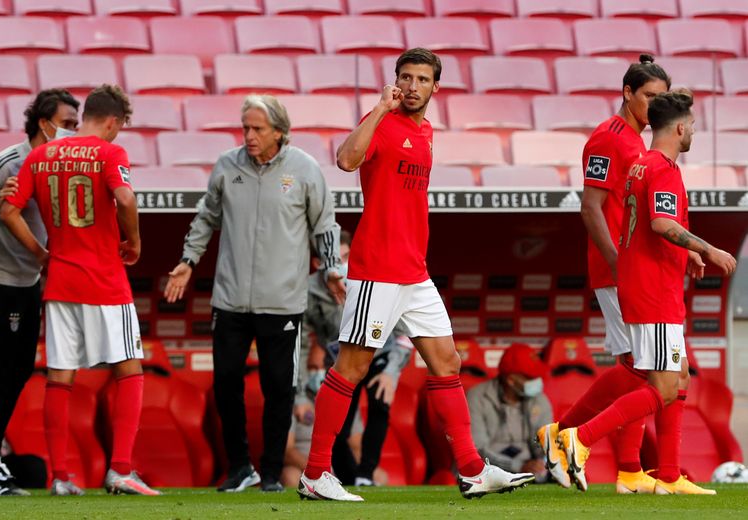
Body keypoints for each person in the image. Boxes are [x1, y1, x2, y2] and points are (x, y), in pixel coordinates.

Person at [297, 48, 535, 502]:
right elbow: (346, 161)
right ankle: (314, 473)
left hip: (414, 272)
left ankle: (470, 468)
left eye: (421, 79)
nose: (411, 86)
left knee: (447, 363)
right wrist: (379, 109)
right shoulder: (382, 120)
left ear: (435, 87)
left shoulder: (426, 131)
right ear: (395, 82)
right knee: (352, 367)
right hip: (377, 270)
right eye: (404, 77)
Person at [557, 90, 736, 494]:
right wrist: (705, 247)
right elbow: (661, 223)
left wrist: (684, 253)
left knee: (678, 374)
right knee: (662, 386)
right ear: (678, 128)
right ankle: (580, 437)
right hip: (654, 292)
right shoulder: (662, 168)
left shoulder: (639, 165)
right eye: (690, 126)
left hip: (652, 285)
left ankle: (669, 475)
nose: (692, 132)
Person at [163, 94, 344, 493]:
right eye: (245, 127)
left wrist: (331, 268)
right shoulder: (227, 166)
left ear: (279, 131)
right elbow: (206, 218)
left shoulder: (305, 169)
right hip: (229, 300)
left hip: (282, 302)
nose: (249, 136)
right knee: (226, 384)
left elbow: (325, 227)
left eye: (257, 129)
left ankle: (273, 471)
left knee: (279, 389)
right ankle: (240, 467)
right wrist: (188, 261)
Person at [0, 84, 159, 496]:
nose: (117, 134)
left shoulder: (41, 154)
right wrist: (135, 242)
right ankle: (121, 469)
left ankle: (60, 478)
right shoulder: (109, 153)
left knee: (59, 378)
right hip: (105, 279)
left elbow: (7, 211)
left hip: (61, 282)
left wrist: (40, 252)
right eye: (119, 127)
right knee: (129, 369)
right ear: (112, 121)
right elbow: (124, 198)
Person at [538, 55, 673, 494]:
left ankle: (626, 468)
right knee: (643, 368)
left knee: (636, 365)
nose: (655, 106)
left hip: (636, 269)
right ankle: (567, 434)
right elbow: (590, 207)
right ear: (627, 93)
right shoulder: (607, 138)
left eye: (662, 99)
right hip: (618, 268)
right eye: (649, 96)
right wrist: (619, 262)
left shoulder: (638, 142)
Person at [0, 89, 79, 496]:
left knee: (17, 376)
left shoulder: (60, 164)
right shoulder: (7, 162)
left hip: (30, 283)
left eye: (75, 125)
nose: (71, 132)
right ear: (42, 123)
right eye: (66, 124)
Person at [300, 230, 412, 486]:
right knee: (337, 421)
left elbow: (405, 332)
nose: (343, 264)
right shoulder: (307, 290)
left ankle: (365, 475)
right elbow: (301, 343)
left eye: (347, 255)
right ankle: (347, 479)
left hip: (379, 354)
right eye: (335, 259)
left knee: (380, 405)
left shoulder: (372, 275)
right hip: (342, 360)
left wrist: (391, 373)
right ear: (318, 264)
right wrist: (300, 391)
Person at [467, 344, 552, 483]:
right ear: (511, 380)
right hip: (486, 472)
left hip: (528, 472)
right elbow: (476, 451)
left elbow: (543, 445)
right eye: (530, 378)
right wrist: (517, 467)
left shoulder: (540, 400)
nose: (537, 381)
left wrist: (547, 461)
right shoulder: (477, 397)